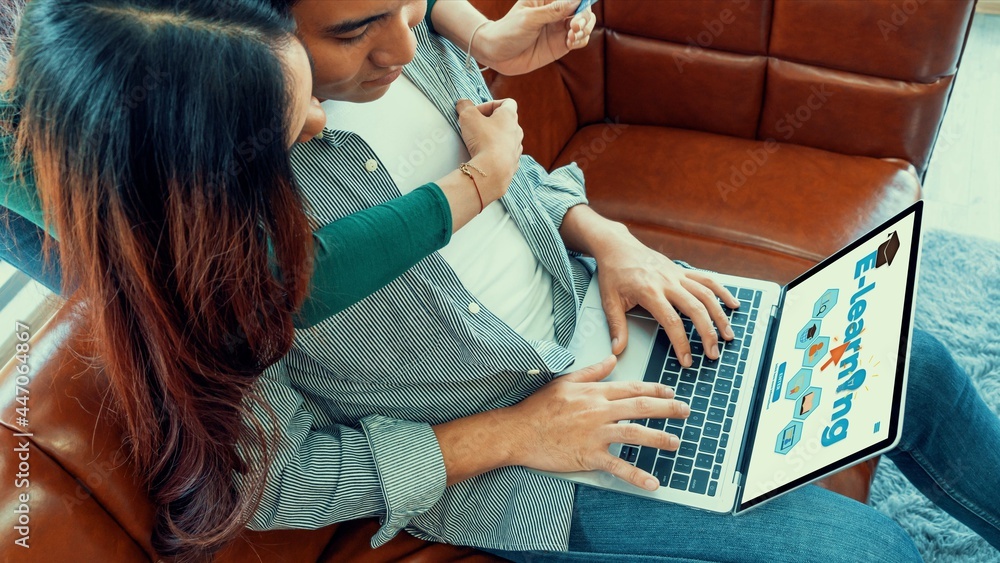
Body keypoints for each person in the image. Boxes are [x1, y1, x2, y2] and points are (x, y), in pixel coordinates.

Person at [237, 1, 1000, 561]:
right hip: (521, 452)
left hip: (598, 306)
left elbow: (518, 182)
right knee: (865, 552)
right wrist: (519, 432)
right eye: (353, 31)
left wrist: (611, 238)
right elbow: (276, 484)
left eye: (402, 6)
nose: (405, 44)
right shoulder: (224, 219)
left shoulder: (407, 40)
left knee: (913, 362)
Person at [0, 0, 538, 559]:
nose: (319, 121)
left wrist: (481, 34)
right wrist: (511, 433)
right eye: (283, 126)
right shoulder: (177, 248)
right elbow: (260, 300)